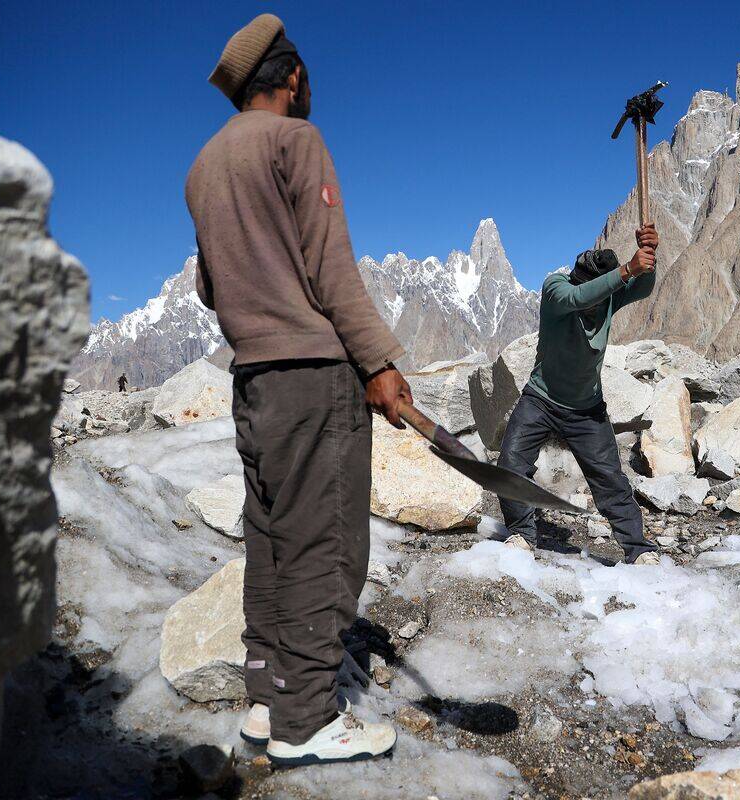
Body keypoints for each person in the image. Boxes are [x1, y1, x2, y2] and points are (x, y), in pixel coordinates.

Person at [185, 14, 410, 766]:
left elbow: (208, 287)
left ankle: (266, 695)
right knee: (324, 545)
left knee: (271, 538)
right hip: (316, 378)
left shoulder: (203, 168)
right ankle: (307, 719)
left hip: (252, 381)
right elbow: (330, 267)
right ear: (289, 77)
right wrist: (377, 361)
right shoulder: (296, 142)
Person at [497, 225, 661, 565]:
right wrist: (627, 269)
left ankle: (638, 549)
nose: (595, 303)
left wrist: (648, 256)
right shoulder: (557, 289)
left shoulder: (609, 297)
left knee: (610, 479)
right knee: (511, 463)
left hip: (586, 409)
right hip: (540, 398)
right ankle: (522, 534)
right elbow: (578, 298)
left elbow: (642, 287)